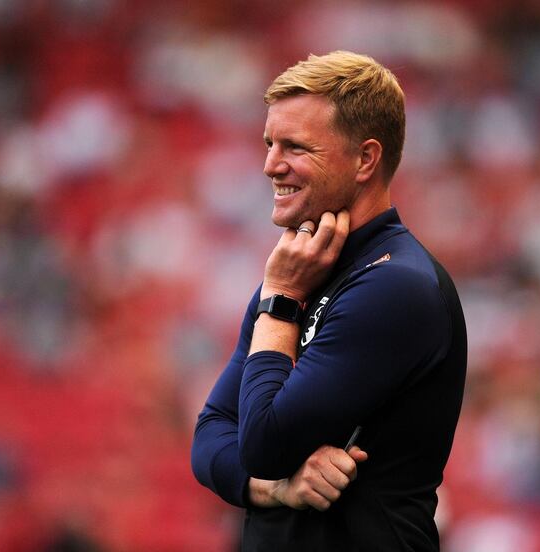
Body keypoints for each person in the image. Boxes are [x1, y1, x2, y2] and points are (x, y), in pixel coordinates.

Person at [191, 51, 467, 551]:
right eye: (269, 143)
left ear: (365, 159)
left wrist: (280, 302)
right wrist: (278, 489)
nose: (271, 165)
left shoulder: (396, 287)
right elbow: (210, 434)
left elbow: (263, 443)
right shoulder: (299, 271)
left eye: (294, 147)